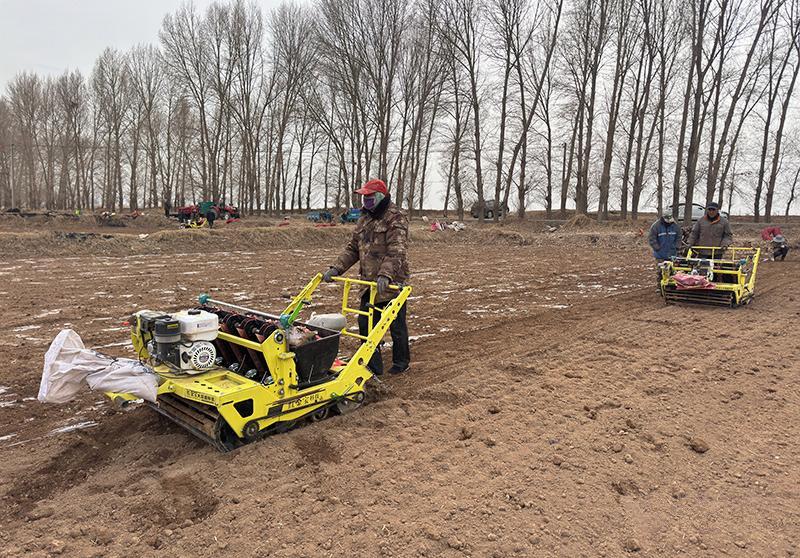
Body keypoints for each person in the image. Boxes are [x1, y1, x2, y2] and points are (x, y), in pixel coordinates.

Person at [323, 179, 410, 375]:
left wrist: (385, 275)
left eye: (369, 196)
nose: (366, 200)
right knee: (366, 324)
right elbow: (353, 248)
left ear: (380, 196)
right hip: (368, 282)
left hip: (392, 283)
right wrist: (336, 268)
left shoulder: (395, 217)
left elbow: (397, 250)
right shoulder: (364, 218)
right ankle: (373, 366)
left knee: (396, 325)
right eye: (364, 197)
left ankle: (401, 363)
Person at [648, 211, 681, 284]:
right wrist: (657, 248)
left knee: (672, 271)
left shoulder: (675, 226)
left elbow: (679, 237)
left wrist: (677, 246)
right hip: (660, 254)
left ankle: (671, 286)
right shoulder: (656, 226)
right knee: (661, 271)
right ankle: (660, 286)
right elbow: (651, 238)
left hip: (672, 253)